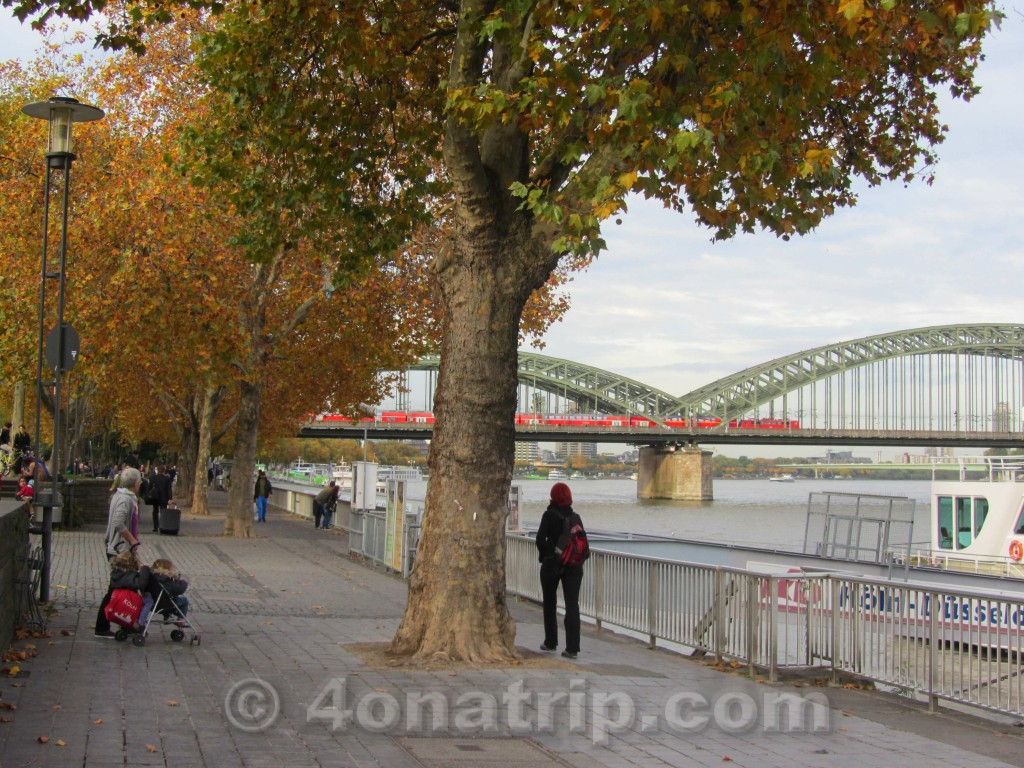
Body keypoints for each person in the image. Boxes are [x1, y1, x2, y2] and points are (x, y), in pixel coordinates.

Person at [535, 481, 585, 659]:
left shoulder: (549, 515)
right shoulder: (575, 517)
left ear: (553, 497)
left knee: (550, 602)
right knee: (573, 605)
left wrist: (547, 554)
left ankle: (550, 642)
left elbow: (540, 539)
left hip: (552, 564)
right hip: (574, 566)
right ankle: (572, 648)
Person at [95, 467, 143, 638]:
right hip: (120, 550)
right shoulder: (125, 499)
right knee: (119, 588)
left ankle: (126, 622)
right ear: (135, 483)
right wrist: (132, 540)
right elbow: (118, 523)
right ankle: (104, 626)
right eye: (140, 481)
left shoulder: (122, 496)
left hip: (121, 549)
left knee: (124, 587)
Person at [148, 466, 174, 533]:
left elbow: (149, 487)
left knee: (155, 512)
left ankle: (155, 527)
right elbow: (169, 489)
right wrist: (170, 498)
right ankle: (162, 526)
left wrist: (148, 495)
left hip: (155, 497)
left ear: (158, 471)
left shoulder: (153, 478)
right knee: (163, 512)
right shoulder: (167, 479)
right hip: (164, 498)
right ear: (164, 471)